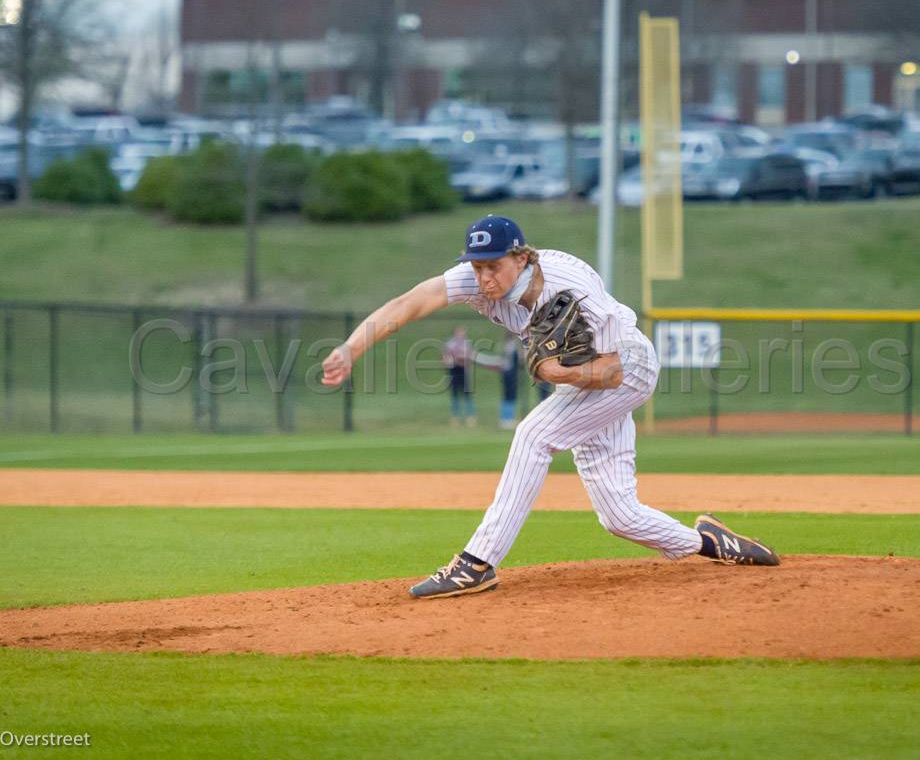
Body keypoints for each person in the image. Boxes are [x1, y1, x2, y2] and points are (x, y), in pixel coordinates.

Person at [321, 215, 780, 599]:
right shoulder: (480, 280)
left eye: (493, 266)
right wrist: (350, 348)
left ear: (522, 257)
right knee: (620, 517)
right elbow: (411, 302)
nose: (483, 277)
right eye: (476, 266)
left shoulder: (572, 287)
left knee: (533, 436)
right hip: (586, 380)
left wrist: (559, 374)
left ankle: (477, 563)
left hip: (627, 367)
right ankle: (708, 541)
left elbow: (615, 372)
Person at [442, 326, 477, 426]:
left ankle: (470, 416)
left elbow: (469, 356)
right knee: (455, 394)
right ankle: (455, 417)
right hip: (454, 370)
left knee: (467, 394)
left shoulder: (466, 343)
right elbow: (445, 357)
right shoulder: (450, 343)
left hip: (463, 370)